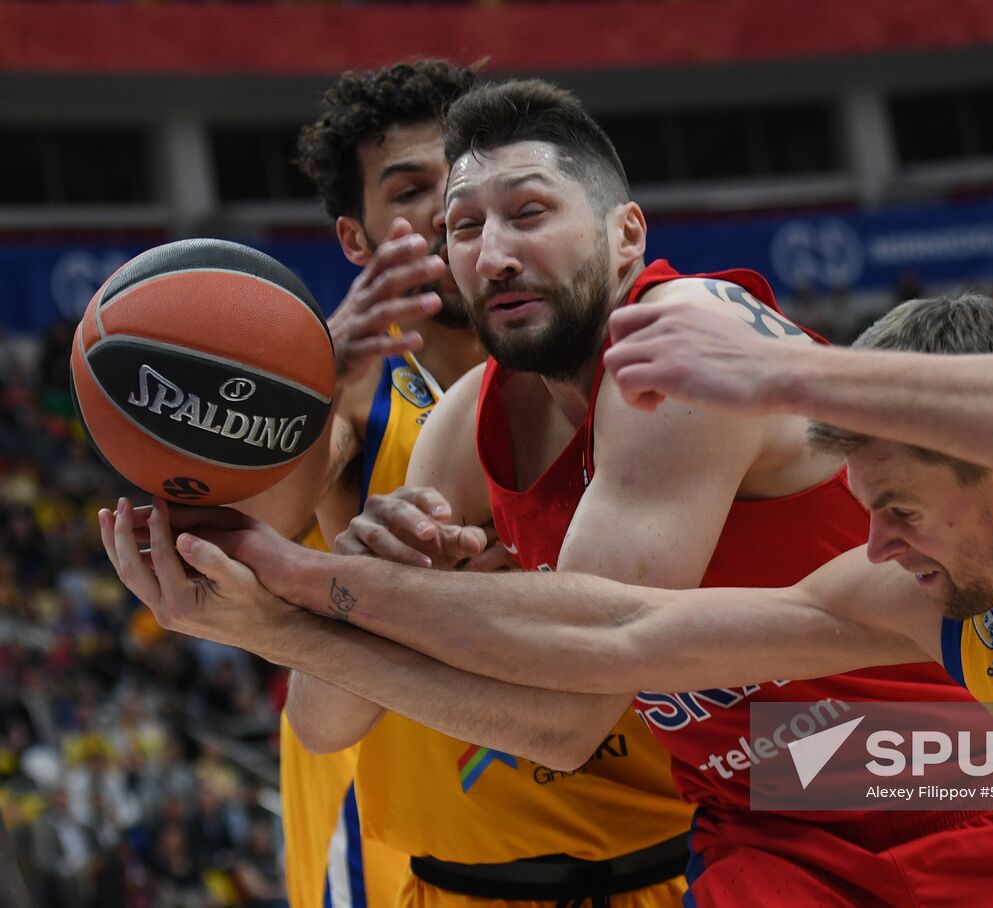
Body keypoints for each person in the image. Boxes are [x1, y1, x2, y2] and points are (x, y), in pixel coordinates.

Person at [100, 82, 993, 906]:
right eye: (463, 226)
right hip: (767, 803)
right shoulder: (468, 419)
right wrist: (324, 597)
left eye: (529, 212)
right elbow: (331, 724)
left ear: (626, 236)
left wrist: (307, 596)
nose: (491, 249)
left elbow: (575, 700)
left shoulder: (678, 346)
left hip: (953, 766)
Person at [213, 290, 993, 904]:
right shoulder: (940, 602)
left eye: (896, 502)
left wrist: (785, 370)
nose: (871, 536)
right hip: (791, 792)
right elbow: (624, 632)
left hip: (885, 772)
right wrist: (307, 593)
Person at [242, 62, 695, 908]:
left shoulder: (641, 375)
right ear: (356, 238)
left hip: (664, 847)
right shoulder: (353, 391)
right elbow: (253, 524)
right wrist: (319, 373)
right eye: (414, 192)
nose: (457, 217)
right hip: (441, 859)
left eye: (465, 181)